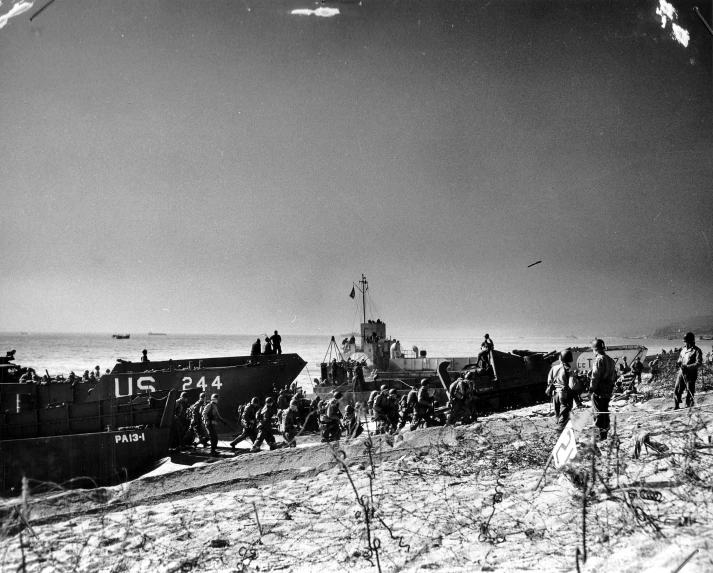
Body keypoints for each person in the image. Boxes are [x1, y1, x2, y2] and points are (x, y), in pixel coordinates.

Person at [589, 339, 617, 441]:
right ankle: (604, 433)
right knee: (605, 410)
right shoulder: (610, 360)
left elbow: (595, 376)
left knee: (597, 411)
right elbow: (614, 376)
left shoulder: (598, 359)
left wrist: (591, 389)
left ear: (595, 349)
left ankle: (599, 435)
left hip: (599, 389)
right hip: (608, 389)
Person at [674, 332, 703, 409]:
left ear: (692, 341)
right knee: (677, 389)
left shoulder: (697, 350)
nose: (686, 343)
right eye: (685, 342)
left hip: (691, 374)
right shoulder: (683, 350)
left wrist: (687, 367)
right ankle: (676, 405)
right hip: (681, 372)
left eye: (687, 341)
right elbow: (680, 358)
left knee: (690, 390)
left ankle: (689, 406)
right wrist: (678, 362)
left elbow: (698, 363)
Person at [547, 350, 574, 431]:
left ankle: (560, 431)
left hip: (555, 394)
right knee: (565, 415)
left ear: (560, 358)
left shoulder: (553, 368)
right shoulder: (568, 369)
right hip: (564, 393)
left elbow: (549, 382)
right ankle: (560, 431)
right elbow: (572, 385)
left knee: (558, 414)